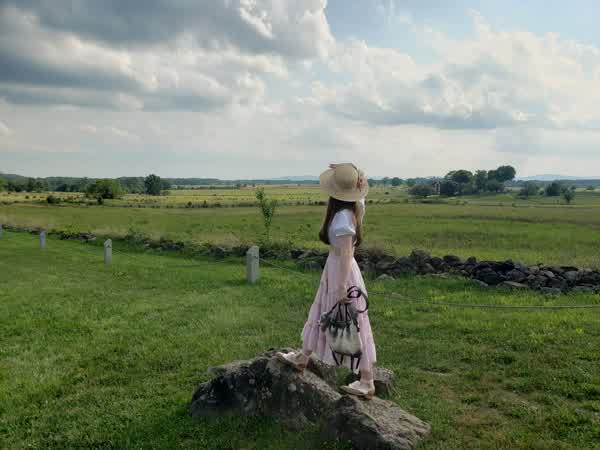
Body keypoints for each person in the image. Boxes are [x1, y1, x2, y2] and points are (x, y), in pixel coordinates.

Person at [275, 163, 377, 399]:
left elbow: (346, 253)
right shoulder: (355, 209)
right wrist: (355, 174)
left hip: (341, 272)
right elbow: (361, 199)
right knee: (326, 315)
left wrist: (341, 286)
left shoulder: (342, 218)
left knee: (351, 323)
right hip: (338, 270)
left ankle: (367, 380)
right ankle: (302, 357)